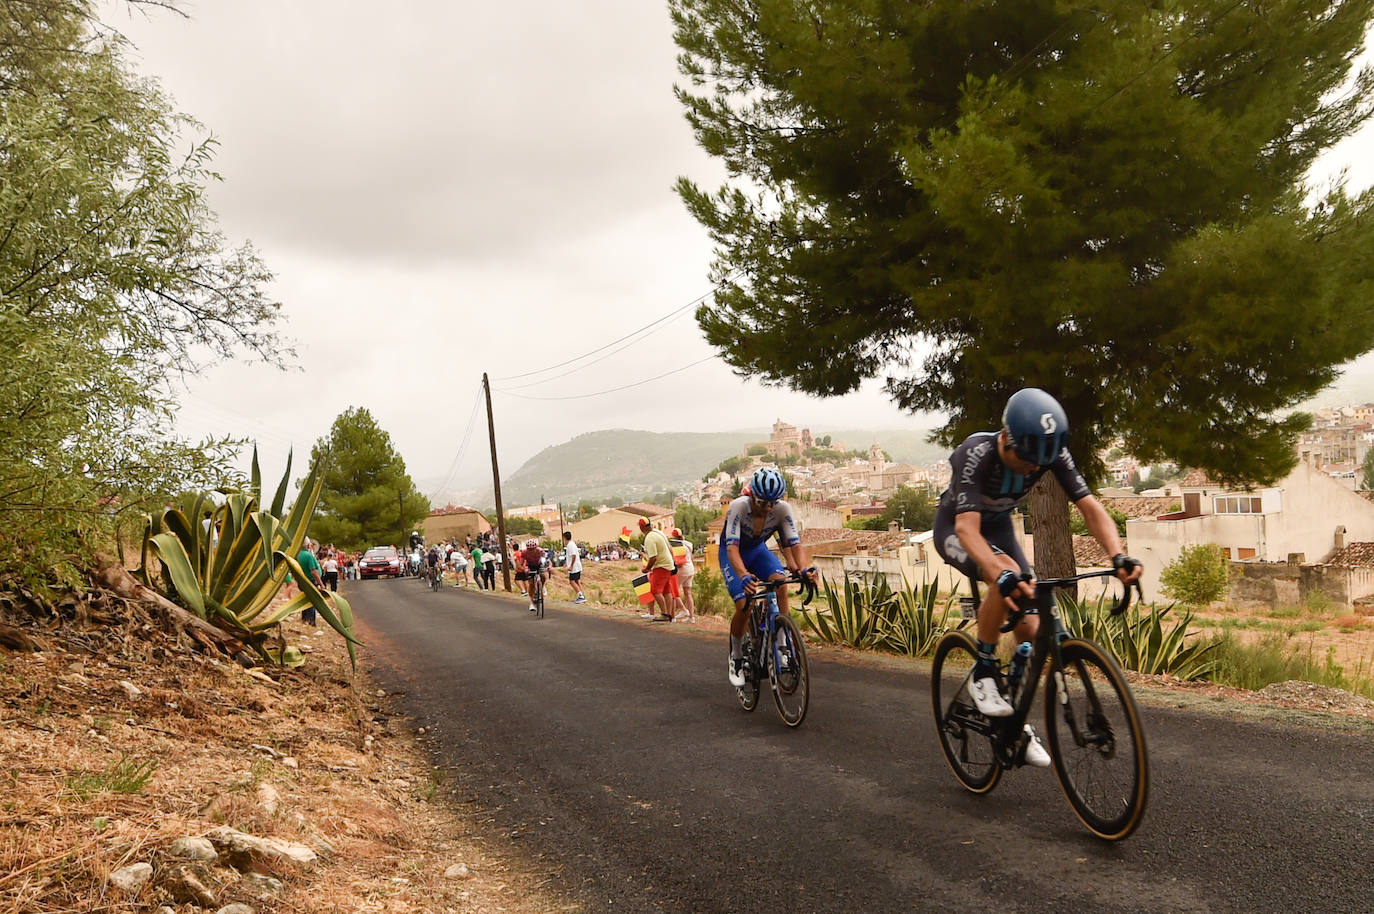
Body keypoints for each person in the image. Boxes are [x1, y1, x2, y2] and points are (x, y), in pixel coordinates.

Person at [933, 387, 1142, 768]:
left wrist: (1118, 554)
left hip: (999, 530)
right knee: (1007, 576)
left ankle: (1015, 722)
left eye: (1039, 465)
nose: (1033, 470)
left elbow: (1089, 507)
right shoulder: (976, 453)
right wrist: (998, 573)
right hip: (958, 529)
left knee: (1031, 628)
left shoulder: (1051, 453)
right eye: (1027, 461)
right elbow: (966, 528)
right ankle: (983, 670)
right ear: (1005, 439)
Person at [723, 467, 817, 686]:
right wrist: (743, 575)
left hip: (757, 551)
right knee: (744, 604)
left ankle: (782, 644)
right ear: (751, 496)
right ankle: (736, 656)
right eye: (762, 502)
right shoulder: (739, 506)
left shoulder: (782, 509)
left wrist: (803, 569)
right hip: (732, 554)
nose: (767, 508)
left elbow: (794, 544)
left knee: (780, 583)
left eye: (772, 503)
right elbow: (732, 549)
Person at [639, 517, 678, 622]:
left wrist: (647, 569)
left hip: (661, 566)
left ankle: (664, 614)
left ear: (641, 528)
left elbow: (653, 557)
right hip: (668, 564)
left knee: (655, 590)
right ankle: (669, 615)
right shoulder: (658, 532)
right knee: (666, 591)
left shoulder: (649, 538)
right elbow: (669, 548)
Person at [295, 538, 325, 625]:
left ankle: (304, 618)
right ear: (308, 545)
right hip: (310, 581)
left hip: (302, 580)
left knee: (305, 599)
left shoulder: (298, 554)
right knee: (312, 601)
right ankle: (311, 621)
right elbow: (314, 571)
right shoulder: (309, 556)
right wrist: (321, 584)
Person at [670, 527, 696, 622]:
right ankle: (691, 617)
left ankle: (680, 611)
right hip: (690, 568)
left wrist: (673, 565)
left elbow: (680, 562)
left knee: (673, 591)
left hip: (682, 570)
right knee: (688, 593)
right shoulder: (688, 544)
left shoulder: (678, 546)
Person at [520, 539, 546, 611]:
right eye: (529, 549)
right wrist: (524, 569)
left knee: (543, 576)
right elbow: (521, 563)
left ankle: (542, 587)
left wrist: (549, 566)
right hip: (530, 566)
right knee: (531, 583)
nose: (531, 551)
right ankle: (531, 602)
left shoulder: (540, 551)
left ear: (536, 548)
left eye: (532, 549)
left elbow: (547, 559)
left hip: (539, 564)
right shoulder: (524, 552)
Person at [562, 530, 585, 604]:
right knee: (577, 581)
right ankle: (582, 595)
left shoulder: (570, 545)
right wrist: (566, 563)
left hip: (574, 567)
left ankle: (581, 596)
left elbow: (573, 555)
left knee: (572, 581)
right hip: (577, 566)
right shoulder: (572, 544)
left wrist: (571, 566)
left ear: (565, 538)